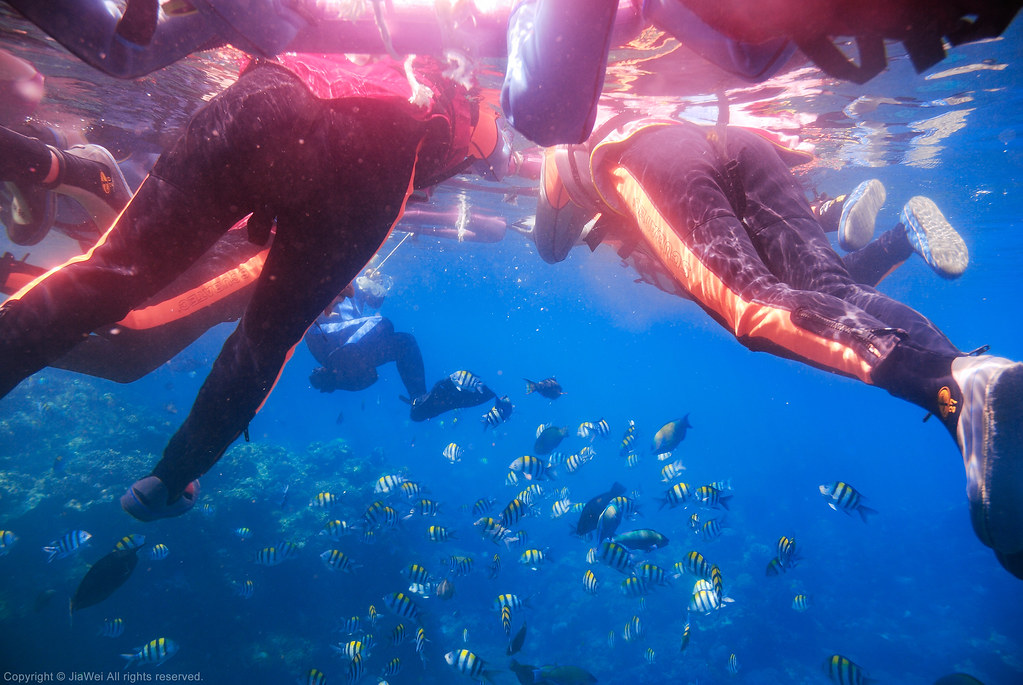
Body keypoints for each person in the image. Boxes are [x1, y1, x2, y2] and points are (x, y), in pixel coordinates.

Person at [0, 51, 503, 524]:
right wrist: (179, 473)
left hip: (266, 99)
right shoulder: (457, 98)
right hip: (369, 161)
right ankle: (166, 480)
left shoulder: (371, 40)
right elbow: (262, 348)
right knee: (207, 340)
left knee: (116, 272)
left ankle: (62, 184)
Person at [530, 114, 1023, 578]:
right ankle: (979, 379)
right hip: (740, 144)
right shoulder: (656, 138)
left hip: (657, 159)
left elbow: (548, 244)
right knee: (834, 289)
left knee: (753, 309)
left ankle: (951, 388)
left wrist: (565, 195)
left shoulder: (584, 150)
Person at [305, 272, 496, 420]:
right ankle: (336, 369)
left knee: (404, 342)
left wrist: (374, 284)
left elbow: (375, 300)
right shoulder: (339, 264)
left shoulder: (360, 275)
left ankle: (419, 400)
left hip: (355, 345)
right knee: (382, 324)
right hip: (324, 338)